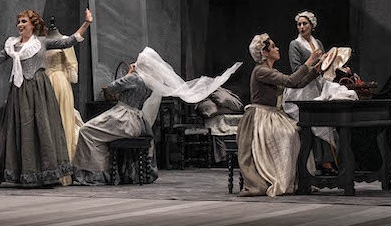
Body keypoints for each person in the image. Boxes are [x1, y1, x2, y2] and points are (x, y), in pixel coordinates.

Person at [0, 8, 92, 187]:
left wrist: (87, 23)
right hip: (18, 91)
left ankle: (44, 175)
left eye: (23, 21)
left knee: (41, 128)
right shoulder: (12, 45)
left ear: (32, 25)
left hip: (38, 89)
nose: (20, 25)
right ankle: (11, 173)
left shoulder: (41, 42)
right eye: (18, 22)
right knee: (14, 128)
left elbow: (68, 42)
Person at [74, 47, 241, 185]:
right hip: (138, 120)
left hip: (123, 117)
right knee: (97, 133)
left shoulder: (134, 78)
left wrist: (129, 73)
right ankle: (114, 171)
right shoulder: (149, 82)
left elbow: (111, 89)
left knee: (87, 131)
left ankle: (97, 173)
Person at [237, 33, 321, 197]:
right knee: (287, 135)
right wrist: (309, 61)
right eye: (273, 47)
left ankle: (300, 179)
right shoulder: (261, 71)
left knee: (298, 132)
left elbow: (297, 84)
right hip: (260, 116)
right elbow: (290, 81)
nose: (277, 49)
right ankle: (280, 177)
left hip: (272, 115)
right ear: (265, 52)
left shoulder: (270, 71)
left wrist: (315, 72)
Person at [282, 10, 337, 173]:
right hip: (302, 88)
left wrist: (336, 65)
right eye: (299, 24)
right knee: (313, 123)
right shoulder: (295, 44)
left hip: (317, 86)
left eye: (304, 23)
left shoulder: (317, 42)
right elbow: (296, 69)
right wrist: (315, 65)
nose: (301, 27)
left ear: (312, 25)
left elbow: (326, 64)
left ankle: (327, 161)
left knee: (323, 123)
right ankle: (320, 162)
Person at [43, 27, 82, 185]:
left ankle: (63, 170)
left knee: (62, 121)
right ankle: (47, 169)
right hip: (43, 82)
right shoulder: (41, 41)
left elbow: (72, 69)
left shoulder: (65, 40)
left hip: (59, 82)